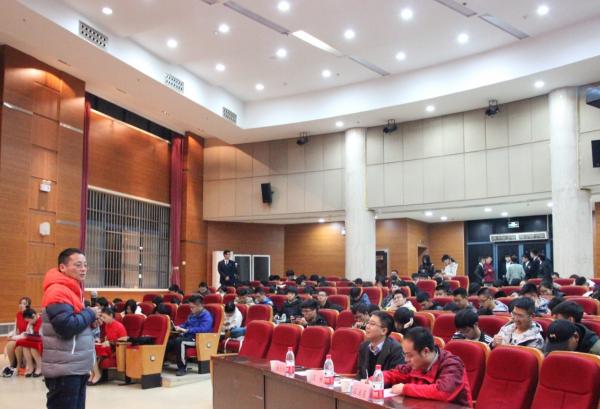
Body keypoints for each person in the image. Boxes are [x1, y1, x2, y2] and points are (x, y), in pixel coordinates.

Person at [41, 248, 99, 409]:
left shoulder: (73, 290)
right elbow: (66, 327)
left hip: (75, 366)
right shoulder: (58, 291)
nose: (83, 269)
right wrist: (90, 313)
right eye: (78, 265)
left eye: (85, 265)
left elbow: (75, 323)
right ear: (62, 267)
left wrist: (91, 322)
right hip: (64, 368)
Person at [383, 327, 472, 406]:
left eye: (410, 355)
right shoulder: (415, 364)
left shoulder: (452, 364)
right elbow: (394, 374)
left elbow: (443, 392)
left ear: (425, 351)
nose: (406, 360)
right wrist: (377, 378)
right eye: (405, 354)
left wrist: (405, 389)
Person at [168, 295, 213, 376]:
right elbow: (186, 324)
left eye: (193, 307)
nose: (191, 309)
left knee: (180, 341)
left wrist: (187, 330)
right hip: (189, 337)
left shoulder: (206, 316)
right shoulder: (192, 314)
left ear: (200, 305)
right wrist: (178, 327)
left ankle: (182, 368)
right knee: (170, 341)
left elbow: (204, 329)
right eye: (190, 307)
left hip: (200, 339)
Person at [356, 311, 405, 380]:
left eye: (372, 324)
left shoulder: (396, 349)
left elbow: (396, 377)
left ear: (384, 331)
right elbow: (360, 374)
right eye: (368, 323)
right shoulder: (364, 346)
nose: (367, 326)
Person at [89, 307, 127, 385]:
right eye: (102, 317)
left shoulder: (119, 326)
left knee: (94, 350)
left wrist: (110, 343)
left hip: (116, 351)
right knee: (91, 349)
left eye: (104, 317)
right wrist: (100, 340)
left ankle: (97, 374)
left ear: (111, 315)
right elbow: (107, 337)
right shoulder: (107, 325)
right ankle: (93, 373)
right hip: (108, 348)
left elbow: (124, 340)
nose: (103, 319)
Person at [2, 296, 31, 377]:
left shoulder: (30, 315)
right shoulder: (18, 315)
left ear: (28, 306)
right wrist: (11, 335)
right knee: (10, 344)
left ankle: (19, 365)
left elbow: (28, 333)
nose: (21, 305)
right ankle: (12, 365)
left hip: (27, 337)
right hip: (19, 337)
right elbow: (16, 330)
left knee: (18, 344)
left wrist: (14, 337)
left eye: (24, 304)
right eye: (20, 303)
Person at [15, 306, 43, 377]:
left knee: (33, 348)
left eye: (29, 320)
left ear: (34, 316)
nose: (29, 322)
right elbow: (28, 332)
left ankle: (39, 368)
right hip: (35, 340)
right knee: (25, 346)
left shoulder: (42, 321)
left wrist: (28, 335)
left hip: (43, 340)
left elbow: (41, 335)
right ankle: (31, 367)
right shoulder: (31, 322)